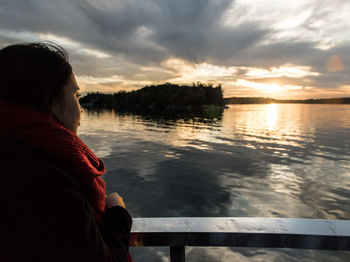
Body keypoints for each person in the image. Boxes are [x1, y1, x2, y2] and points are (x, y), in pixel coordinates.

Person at [0, 42, 133, 262]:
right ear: (51, 101)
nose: (81, 108)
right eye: (77, 95)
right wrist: (118, 214)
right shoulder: (47, 180)